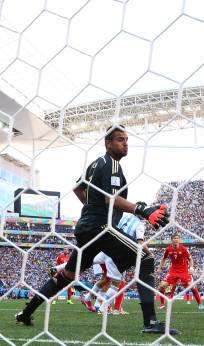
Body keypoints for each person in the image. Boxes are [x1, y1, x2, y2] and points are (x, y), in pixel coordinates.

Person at [15, 125, 177, 335]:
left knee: (67, 275)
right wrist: (142, 210)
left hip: (87, 228)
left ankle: (26, 313)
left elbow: (77, 188)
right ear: (107, 143)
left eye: (127, 140)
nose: (125, 143)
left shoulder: (95, 164)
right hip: (101, 227)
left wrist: (91, 207)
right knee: (145, 259)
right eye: (120, 139)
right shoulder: (111, 165)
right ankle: (151, 323)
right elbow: (111, 198)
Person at [157, 234, 204, 310]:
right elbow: (163, 259)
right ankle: (162, 304)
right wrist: (159, 268)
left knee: (191, 286)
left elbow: (191, 259)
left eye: (177, 238)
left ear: (179, 240)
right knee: (162, 286)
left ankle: (199, 303)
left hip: (184, 271)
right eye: (174, 238)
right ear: (172, 240)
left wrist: (191, 268)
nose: (176, 239)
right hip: (173, 271)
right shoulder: (168, 249)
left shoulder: (183, 249)